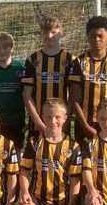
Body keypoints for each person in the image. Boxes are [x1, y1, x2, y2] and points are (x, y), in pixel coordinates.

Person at [15, 98, 81, 205]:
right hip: (38, 201)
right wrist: (24, 192)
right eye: (49, 116)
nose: (53, 120)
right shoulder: (34, 142)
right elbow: (24, 171)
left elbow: (75, 180)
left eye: (57, 117)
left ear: (65, 118)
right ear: (43, 117)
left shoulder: (73, 146)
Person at [68, 16, 107, 143]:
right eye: (93, 36)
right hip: (84, 123)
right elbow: (74, 99)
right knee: (84, 161)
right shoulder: (79, 62)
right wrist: (85, 126)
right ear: (87, 37)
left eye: (100, 36)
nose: (96, 39)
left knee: (106, 160)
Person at [21, 15, 73, 143]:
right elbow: (27, 95)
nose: (49, 36)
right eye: (45, 32)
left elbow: (74, 95)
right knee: (35, 159)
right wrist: (38, 122)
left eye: (54, 32)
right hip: (38, 120)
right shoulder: (32, 60)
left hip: (60, 121)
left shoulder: (70, 59)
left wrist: (66, 118)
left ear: (61, 33)